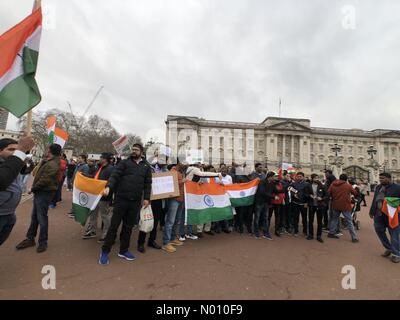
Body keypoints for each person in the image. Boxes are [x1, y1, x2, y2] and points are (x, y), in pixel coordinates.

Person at [99, 144, 152, 265]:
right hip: (121, 199)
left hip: (135, 202)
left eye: (136, 150)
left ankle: (123, 250)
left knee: (128, 228)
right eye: (132, 149)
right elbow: (114, 176)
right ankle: (105, 252)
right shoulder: (124, 163)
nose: (134, 151)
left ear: (141, 152)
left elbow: (148, 183)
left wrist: (147, 198)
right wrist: (108, 187)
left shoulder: (146, 166)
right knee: (114, 226)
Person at [16, 144, 62, 253]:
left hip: (44, 193)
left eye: (47, 149)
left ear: (50, 151)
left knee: (41, 218)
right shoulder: (50, 161)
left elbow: (45, 179)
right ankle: (30, 238)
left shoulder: (53, 163)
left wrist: (33, 188)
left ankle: (42, 242)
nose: (46, 150)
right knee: (35, 217)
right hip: (41, 192)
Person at [82, 153, 115, 242]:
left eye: (101, 157)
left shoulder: (111, 169)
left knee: (104, 216)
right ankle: (92, 231)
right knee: (93, 213)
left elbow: (112, 181)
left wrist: (108, 190)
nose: (99, 159)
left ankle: (106, 235)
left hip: (103, 196)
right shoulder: (99, 167)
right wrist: (85, 176)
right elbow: (94, 178)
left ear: (105, 159)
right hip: (95, 195)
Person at [369, 173, 400, 263]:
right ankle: (389, 248)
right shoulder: (378, 187)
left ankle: (396, 254)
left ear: (389, 179)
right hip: (379, 214)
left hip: (393, 215)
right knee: (379, 230)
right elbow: (375, 199)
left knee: (394, 234)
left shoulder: (397, 188)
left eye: (383, 178)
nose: (381, 180)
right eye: (380, 178)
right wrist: (371, 211)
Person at [185, 162, 221, 237]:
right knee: (201, 212)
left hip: (210, 197)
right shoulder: (200, 175)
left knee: (209, 213)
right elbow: (196, 184)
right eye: (211, 170)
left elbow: (219, 184)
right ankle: (199, 230)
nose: (212, 172)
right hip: (201, 197)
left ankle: (207, 229)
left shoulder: (214, 178)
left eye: (213, 171)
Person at [137, 159, 164, 253]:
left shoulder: (165, 170)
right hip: (148, 198)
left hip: (159, 198)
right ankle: (141, 243)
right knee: (145, 219)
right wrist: (146, 198)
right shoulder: (148, 167)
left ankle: (152, 241)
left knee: (155, 221)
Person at [0, 139, 24, 246]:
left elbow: (26, 170)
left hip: (10, 213)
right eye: (11, 149)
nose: (15, 152)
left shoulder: (13, 164)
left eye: (17, 150)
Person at [162, 162, 188, 253]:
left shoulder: (181, 172)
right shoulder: (173, 171)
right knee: (170, 221)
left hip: (181, 199)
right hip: (174, 199)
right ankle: (166, 243)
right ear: (179, 163)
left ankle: (173, 238)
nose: (186, 165)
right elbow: (170, 184)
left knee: (177, 220)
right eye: (184, 163)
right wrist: (182, 181)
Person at [327, 174, 359, 243]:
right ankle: (354, 237)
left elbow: (328, 192)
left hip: (335, 204)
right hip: (345, 205)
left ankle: (331, 232)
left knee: (334, 219)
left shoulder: (333, 184)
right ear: (346, 179)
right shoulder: (347, 185)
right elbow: (355, 192)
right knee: (349, 221)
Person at [253, 171, 275, 240]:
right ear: (270, 177)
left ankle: (266, 233)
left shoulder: (272, 183)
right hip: (259, 202)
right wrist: (272, 197)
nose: (274, 178)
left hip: (266, 203)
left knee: (265, 218)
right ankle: (256, 232)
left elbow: (274, 190)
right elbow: (262, 192)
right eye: (274, 176)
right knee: (257, 217)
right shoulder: (262, 182)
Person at [289, 172, 312, 237]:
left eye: (300, 176)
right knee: (295, 218)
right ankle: (296, 231)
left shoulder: (307, 184)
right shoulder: (294, 184)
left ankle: (305, 231)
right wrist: (294, 194)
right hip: (295, 203)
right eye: (298, 176)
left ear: (303, 177)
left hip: (303, 203)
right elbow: (290, 190)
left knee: (304, 218)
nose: (299, 177)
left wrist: (307, 202)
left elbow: (310, 193)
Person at [308, 174, 329, 242]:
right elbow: (305, 194)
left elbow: (327, 195)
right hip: (311, 205)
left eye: (317, 178)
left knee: (319, 221)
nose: (317, 179)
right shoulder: (309, 185)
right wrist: (309, 195)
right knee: (310, 221)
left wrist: (322, 198)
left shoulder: (322, 186)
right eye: (315, 178)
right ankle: (311, 235)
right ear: (312, 179)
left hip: (320, 205)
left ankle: (319, 236)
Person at [268, 172, 285, 237]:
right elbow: (275, 191)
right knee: (268, 216)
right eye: (276, 176)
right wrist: (282, 190)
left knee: (277, 217)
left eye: (278, 176)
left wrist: (283, 198)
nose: (277, 177)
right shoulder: (271, 184)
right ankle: (266, 229)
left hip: (278, 202)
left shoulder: (280, 184)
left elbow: (283, 192)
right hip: (271, 202)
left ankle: (276, 230)